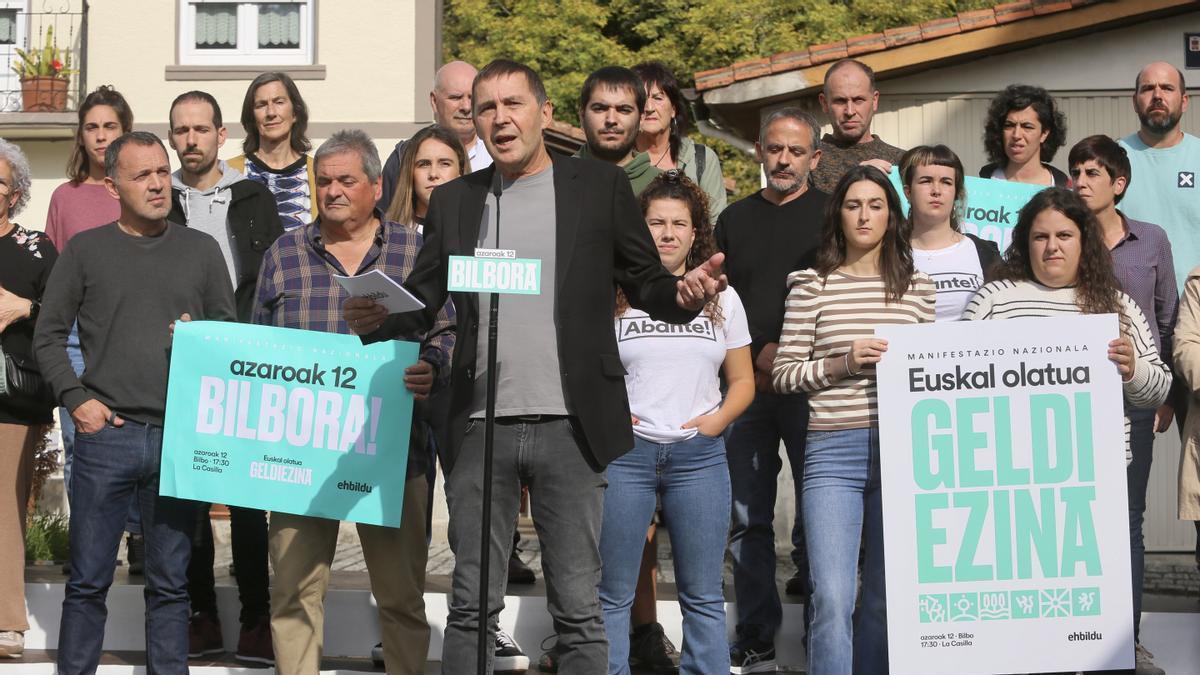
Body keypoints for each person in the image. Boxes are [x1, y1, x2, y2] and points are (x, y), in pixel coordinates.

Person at [342, 58, 727, 673]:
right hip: (478, 426)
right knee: (471, 604)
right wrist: (378, 321)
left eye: (513, 104)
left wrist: (683, 298)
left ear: (544, 113)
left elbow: (647, 281)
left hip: (570, 426)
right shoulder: (456, 201)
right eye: (486, 107)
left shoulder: (596, 189)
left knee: (578, 605)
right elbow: (425, 299)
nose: (499, 118)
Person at [34, 131, 236, 675]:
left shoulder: (202, 251)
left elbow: (231, 337)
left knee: (171, 589)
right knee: (87, 583)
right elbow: (48, 336)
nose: (156, 183)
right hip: (107, 437)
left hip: (177, 439)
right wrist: (77, 401)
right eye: (141, 174)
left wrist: (203, 336)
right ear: (112, 185)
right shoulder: (85, 251)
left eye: (161, 171)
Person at [257, 129, 454, 675]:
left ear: (376, 185)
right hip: (301, 456)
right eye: (324, 181)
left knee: (400, 598)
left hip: (394, 451)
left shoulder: (417, 252)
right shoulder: (284, 254)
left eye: (347, 180)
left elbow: (448, 330)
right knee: (294, 594)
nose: (334, 191)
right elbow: (258, 344)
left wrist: (431, 368)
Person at [773, 165, 935, 675]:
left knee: (887, 596)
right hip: (831, 450)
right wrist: (845, 361)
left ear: (893, 215)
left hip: (903, 451)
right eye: (853, 205)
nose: (864, 215)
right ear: (837, 216)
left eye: (876, 205)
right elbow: (782, 375)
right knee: (833, 597)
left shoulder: (919, 289)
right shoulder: (811, 285)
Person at [599, 171, 754, 675]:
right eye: (656, 223)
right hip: (627, 456)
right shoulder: (613, 294)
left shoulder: (722, 298)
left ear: (695, 233)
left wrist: (714, 424)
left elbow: (744, 382)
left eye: (678, 224)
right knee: (614, 592)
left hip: (698, 458)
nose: (667, 233)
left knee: (703, 593)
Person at [164, 90, 284, 665]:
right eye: (181, 131)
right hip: (182, 362)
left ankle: (257, 619)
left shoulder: (254, 195)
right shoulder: (159, 200)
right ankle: (202, 614)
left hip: (248, 359)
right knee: (190, 496)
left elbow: (276, 274)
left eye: (201, 130)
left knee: (246, 497)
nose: (191, 140)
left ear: (221, 136)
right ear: (172, 138)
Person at [715, 107, 826, 673]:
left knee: (820, 515)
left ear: (815, 158)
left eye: (796, 151)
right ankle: (756, 633)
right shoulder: (733, 219)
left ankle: (820, 632)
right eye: (775, 149)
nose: (784, 160)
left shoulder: (835, 216)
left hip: (817, 389)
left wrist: (793, 351)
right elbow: (719, 300)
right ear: (759, 150)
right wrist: (758, 348)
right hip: (748, 389)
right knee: (746, 517)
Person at [963, 188, 1171, 469]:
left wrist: (1133, 369)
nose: (1052, 246)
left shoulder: (1118, 306)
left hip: (1097, 474)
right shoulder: (992, 300)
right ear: (1026, 243)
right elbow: (959, 386)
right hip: (1009, 469)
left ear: (1084, 242)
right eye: (1040, 237)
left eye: (1064, 235)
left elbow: (1157, 392)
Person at [1068, 134, 1174, 675]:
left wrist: (1165, 394)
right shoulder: (1062, 240)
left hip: (1134, 400)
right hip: (1067, 402)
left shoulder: (1152, 241)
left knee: (1127, 520)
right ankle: (1069, 637)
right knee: (1073, 519)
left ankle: (1125, 642)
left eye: (1092, 174)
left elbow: (1168, 318)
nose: (1081, 183)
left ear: (1119, 184)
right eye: (1076, 173)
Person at [43, 85, 142, 575]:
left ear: (125, 131)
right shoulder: (65, 198)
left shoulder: (138, 186)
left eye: (110, 126)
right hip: (79, 337)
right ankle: (87, 545)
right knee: (82, 440)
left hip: (132, 330)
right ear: (80, 137)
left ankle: (140, 536)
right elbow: (55, 277)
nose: (101, 136)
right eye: (92, 127)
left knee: (141, 435)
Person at [1118, 60, 1200, 581]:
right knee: (1126, 490)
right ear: (1135, 99)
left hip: (1196, 333)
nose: (1157, 96)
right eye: (1147, 87)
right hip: (1135, 341)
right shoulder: (1113, 158)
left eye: (1167, 88)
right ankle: (1124, 619)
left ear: (1184, 100)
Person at [0, 138, 58, 659]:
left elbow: (65, 315)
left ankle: (7, 622)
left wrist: (25, 307)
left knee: (4, 509)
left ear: (14, 191)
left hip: (10, 401)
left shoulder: (36, 247)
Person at [900, 144, 1001, 321]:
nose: (936, 191)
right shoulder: (886, 252)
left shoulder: (984, 252)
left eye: (946, 182)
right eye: (926, 181)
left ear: (956, 193)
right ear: (908, 192)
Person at [378, 60, 493, 211]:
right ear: (434, 101)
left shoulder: (497, 153)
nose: (466, 107)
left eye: (472, 98)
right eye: (455, 97)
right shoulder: (404, 156)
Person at [632, 61, 727, 218]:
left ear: (673, 110)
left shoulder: (701, 160)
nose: (649, 108)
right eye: (642, 98)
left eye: (658, 98)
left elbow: (715, 225)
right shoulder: (618, 160)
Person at [231, 72, 317, 231]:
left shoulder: (318, 173)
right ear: (252, 117)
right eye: (261, 105)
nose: (271, 112)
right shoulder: (229, 173)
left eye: (279, 102)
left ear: (295, 113)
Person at [810, 59, 904, 193]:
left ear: (874, 100)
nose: (850, 111)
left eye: (858, 100)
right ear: (824, 103)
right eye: (840, 101)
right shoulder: (810, 160)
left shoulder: (901, 161)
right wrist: (856, 177)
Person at [575, 66, 661, 194]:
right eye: (599, 108)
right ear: (582, 117)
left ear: (641, 119)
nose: (611, 120)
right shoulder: (554, 180)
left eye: (624, 110)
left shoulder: (663, 187)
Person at [980, 84, 1070, 187]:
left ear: (1044, 133)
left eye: (1027, 127)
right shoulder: (982, 185)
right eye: (1009, 125)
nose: (1016, 135)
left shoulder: (1063, 188)